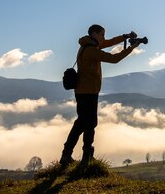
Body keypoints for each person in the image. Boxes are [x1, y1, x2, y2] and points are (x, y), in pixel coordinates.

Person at [60, 24, 142, 167]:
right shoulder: (91, 50)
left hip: (84, 91)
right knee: (90, 124)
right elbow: (114, 59)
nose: (104, 37)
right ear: (95, 34)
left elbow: (108, 43)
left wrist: (125, 37)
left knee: (81, 124)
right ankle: (87, 157)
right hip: (88, 92)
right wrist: (131, 48)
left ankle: (66, 154)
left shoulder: (88, 45)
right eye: (102, 34)